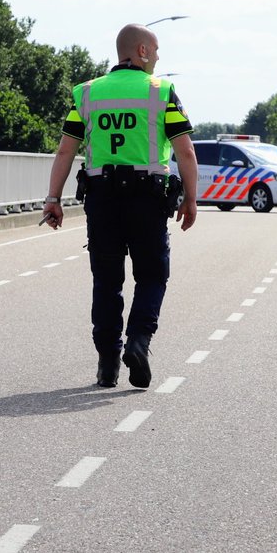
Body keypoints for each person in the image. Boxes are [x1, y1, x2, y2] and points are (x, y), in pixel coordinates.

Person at [40, 23, 199, 388]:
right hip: (147, 198)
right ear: (141, 51)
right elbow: (185, 150)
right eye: (155, 50)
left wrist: (53, 199)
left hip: (102, 198)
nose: (158, 58)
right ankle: (139, 342)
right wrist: (191, 199)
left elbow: (66, 149)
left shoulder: (87, 93)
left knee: (107, 281)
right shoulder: (161, 92)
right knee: (152, 275)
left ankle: (107, 362)